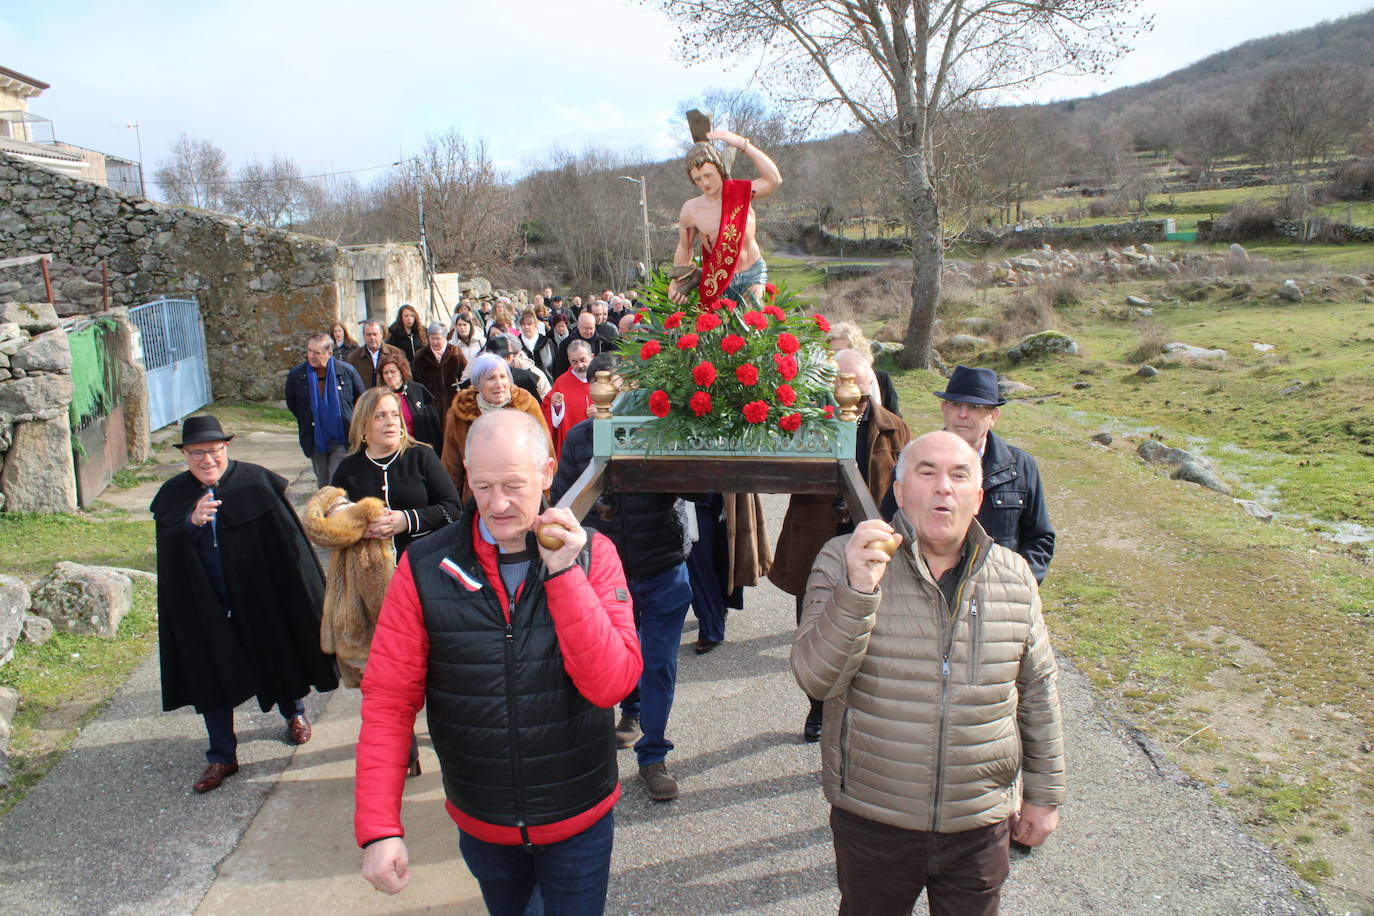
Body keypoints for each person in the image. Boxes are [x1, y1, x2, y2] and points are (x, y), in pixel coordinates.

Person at [356, 410, 641, 913]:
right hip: (483, 821)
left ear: (548, 473)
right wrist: (379, 828)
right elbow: (388, 701)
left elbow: (611, 685)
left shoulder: (595, 555)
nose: (499, 504)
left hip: (578, 816)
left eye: (513, 484)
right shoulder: (425, 567)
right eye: (483, 485)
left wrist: (564, 574)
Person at [792, 430, 1065, 914]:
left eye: (960, 476)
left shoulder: (1014, 575)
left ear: (978, 497)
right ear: (899, 491)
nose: (945, 487)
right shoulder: (845, 558)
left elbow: (1038, 691)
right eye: (927, 472)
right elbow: (817, 679)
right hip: (874, 820)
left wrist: (1044, 796)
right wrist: (858, 590)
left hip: (979, 825)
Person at [150, 415, 339, 794]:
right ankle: (222, 755)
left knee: (276, 654)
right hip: (207, 604)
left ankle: (295, 715)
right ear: (185, 455)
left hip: (258, 594)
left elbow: (290, 547)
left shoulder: (257, 483)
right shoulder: (174, 497)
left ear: (226, 449)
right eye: (197, 453)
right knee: (211, 674)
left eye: (214, 451)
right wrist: (190, 524)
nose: (207, 460)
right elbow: (169, 556)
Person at [551, 355, 694, 802]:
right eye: (597, 383)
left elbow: (700, 489)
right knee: (607, 658)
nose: (605, 391)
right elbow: (563, 503)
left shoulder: (660, 430)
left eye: (615, 382)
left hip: (661, 564)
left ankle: (653, 755)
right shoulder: (578, 440)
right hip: (603, 572)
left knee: (657, 665)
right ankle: (625, 717)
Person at [769, 351, 910, 742]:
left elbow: (904, 491)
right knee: (816, 632)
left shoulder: (894, 429)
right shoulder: (806, 423)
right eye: (843, 388)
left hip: (871, 547)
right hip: (818, 543)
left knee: (870, 635)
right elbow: (782, 478)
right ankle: (817, 708)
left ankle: (861, 714)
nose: (854, 400)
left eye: (862, 393)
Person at [879, 365, 1054, 584]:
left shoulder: (1022, 466)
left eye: (975, 406)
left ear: (993, 416)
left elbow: (1039, 538)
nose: (963, 414)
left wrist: (1018, 583)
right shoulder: (914, 458)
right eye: (956, 404)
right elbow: (889, 524)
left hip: (997, 592)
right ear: (944, 408)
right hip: (924, 588)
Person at [669, 130, 782, 308]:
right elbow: (685, 248)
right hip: (718, 280)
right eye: (698, 179)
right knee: (722, 333)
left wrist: (742, 144)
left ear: (719, 170)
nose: (705, 183)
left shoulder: (742, 193)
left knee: (751, 324)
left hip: (752, 273)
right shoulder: (691, 210)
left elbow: (774, 179)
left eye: (709, 175)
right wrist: (676, 281)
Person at [440, 353, 552, 501]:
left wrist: (544, 497)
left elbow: (546, 453)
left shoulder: (527, 405)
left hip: (522, 494)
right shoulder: (458, 414)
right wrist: (454, 507)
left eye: (503, 376)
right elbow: (451, 466)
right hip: (478, 499)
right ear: (478, 383)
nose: (499, 384)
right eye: (491, 378)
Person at [286, 332, 368, 488]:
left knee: (336, 481)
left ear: (329, 353)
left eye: (316, 352)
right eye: (309, 351)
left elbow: (361, 400)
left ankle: (337, 511)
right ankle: (326, 512)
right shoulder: (297, 376)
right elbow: (293, 404)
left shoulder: (346, 372)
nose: (311, 356)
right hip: (315, 437)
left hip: (342, 436)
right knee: (323, 482)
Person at [826, 320, 901, 416]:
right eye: (835, 353)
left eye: (845, 351)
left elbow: (895, 423)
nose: (841, 356)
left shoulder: (882, 381)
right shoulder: (816, 385)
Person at [411, 321, 467, 442]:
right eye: (432, 338)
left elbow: (465, 377)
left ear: (445, 337)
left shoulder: (455, 353)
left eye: (438, 338)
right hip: (430, 405)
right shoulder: (421, 356)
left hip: (452, 403)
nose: (435, 342)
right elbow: (416, 381)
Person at [377, 354, 443, 454]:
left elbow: (432, 426)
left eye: (393, 371)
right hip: (394, 451)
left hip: (420, 449)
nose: (389, 376)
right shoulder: (380, 398)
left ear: (401, 372)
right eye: (385, 373)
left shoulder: (418, 390)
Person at [542, 339, 593, 459]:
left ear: (592, 356)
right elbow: (546, 411)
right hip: (573, 445)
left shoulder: (602, 379)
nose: (579, 365)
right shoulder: (562, 382)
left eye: (583, 360)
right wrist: (556, 407)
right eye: (574, 362)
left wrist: (602, 412)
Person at [482, 333, 550, 402]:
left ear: (515, 354)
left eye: (504, 355)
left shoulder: (532, 374)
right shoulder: (483, 375)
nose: (498, 360)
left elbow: (546, 399)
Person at [552, 311, 612, 381]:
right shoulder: (566, 344)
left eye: (591, 328)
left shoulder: (602, 342)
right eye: (585, 328)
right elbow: (560, 369)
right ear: (578, 326)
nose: (589, 331)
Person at [347, 319, 406, 388]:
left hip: (391, 396)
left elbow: (406, 377)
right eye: (368, 335)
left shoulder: (395, 353)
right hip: (366, 397)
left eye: (375, 334)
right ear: (364, 336)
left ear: (381, 335)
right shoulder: (353, 358)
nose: (372, 338)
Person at [516, 308, 557, 379]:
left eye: (529, 324)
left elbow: (556, 365)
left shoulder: (546, 343)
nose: (526, 327)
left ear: (535, 325)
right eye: (523, 324)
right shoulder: (516, 344)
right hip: (524, 385)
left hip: (548, 384)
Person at [449, 313, 486, 379]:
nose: (462, 327)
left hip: (479, 378)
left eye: (465, 324)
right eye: (459, 325)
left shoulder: (481, 341)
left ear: (470, 325)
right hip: (460, 381)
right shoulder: (452, 345)